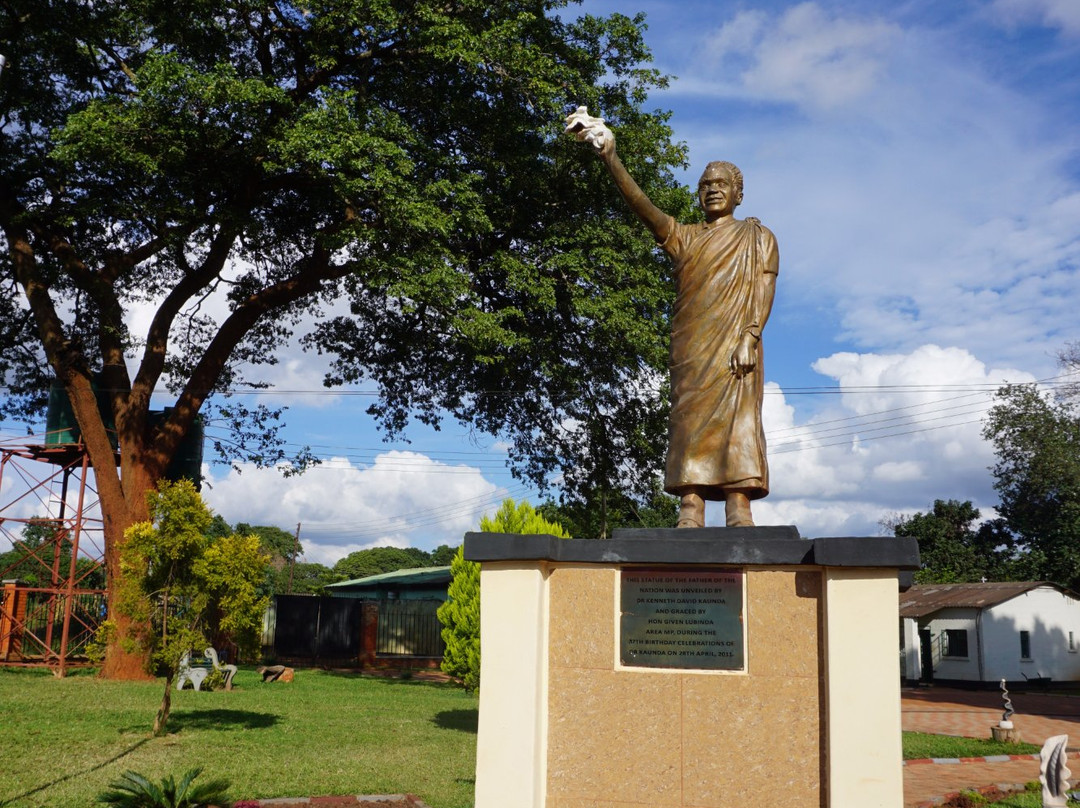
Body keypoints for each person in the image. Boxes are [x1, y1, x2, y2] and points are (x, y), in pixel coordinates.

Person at [565, 107, 778, 528]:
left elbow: (763, 289)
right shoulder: (684, 237)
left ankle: (739, 503)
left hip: (737, 343)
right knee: (688, 418)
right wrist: (610, 155)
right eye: (705, 185)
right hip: (692, 346)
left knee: (740, 418)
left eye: (722, 184)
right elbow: (642, 206)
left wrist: (750, 336)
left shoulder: (758, 236)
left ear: (739, 194)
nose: (713, 190)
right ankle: (691, 504)